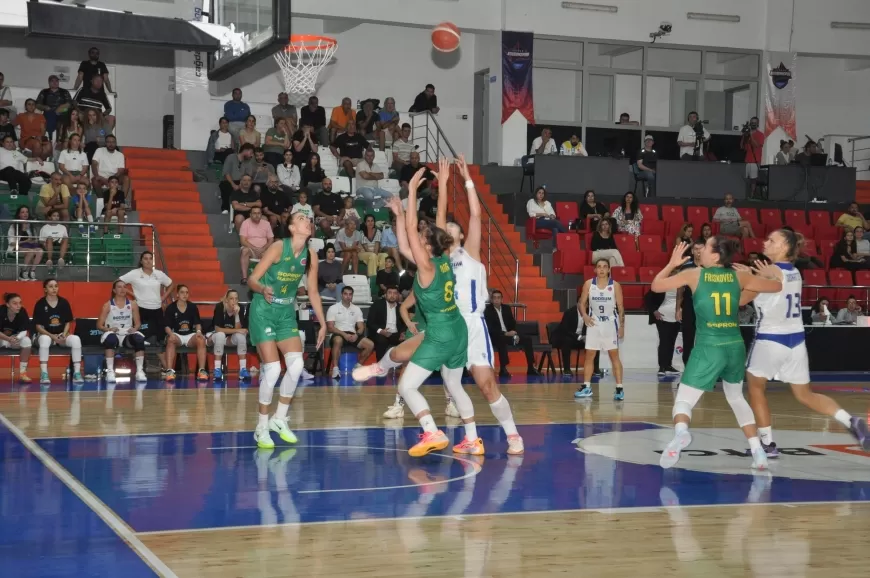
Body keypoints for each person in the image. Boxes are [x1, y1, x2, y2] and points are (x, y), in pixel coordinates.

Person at [357, 168, 476, 457]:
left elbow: (411, 232)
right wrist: (401, 211)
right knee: (454, 385)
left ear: (425, 246)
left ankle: (431, 431)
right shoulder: (444, 257)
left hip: (440, 333)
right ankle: (472, 438)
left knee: (407, 386)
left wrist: (410, 190)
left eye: (421, 237)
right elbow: (409, 238)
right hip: (458, 329)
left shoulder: (426, 267)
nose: (418, 237)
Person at [650, 237, 783, 470]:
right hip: (735, 346)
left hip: (709, 346)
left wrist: (672, 263)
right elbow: (774, 287)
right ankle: (757, 452)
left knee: (683, 400)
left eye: (705, 248)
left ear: (716, 256)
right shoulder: (738, 276)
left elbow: (655, 286)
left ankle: (681, 433)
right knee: (736, 398)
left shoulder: (695, 274)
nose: (698, 251)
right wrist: (765, 275)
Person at [742, 229, 870, 454]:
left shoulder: (768, 272)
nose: (765, 242)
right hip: (797, 343)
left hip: (771, 340)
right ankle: (849, 420)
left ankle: (767, 444)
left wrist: (743, 278)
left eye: (772, 240)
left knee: (755, 388)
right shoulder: (795, 272)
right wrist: (750, 275)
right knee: (805, 395)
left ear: (784, 248)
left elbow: (741, 299)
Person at [246, 210, 327, 449]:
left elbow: (312, 292)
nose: (307, 221)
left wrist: (322, 323)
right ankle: (261, 426)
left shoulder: (311, 255)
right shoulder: (279, 247)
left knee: (297, 365)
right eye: (301, 218)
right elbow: (252, 279)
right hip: (264, 309)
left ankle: (279, 419)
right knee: (271, 371)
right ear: (292, 227)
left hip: (285, 313)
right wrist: (262, 289)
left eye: (308, 219)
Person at [575, 259, 626, 400]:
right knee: (590, 355)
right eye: (599, 267)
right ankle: (586, 387)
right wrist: (584, 315)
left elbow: (621, 307)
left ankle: (619, 388)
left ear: (609, 269)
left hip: (610, 323)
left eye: (605, 267)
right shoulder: (588, 284)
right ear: (595, 270)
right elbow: (581, 303)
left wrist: (621, 326)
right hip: (594, 323)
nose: (602, 269)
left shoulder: (615, 285)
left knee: (614, 356)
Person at [120, 251, 173, 374]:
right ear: (141, 261)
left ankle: (166, 368)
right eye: (145, 258)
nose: (148, 261)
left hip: (157, 310)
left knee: (159, 340)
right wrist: (133, 295)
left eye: (150, 258)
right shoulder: (134, 274)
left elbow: (171, 284)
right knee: (140, 338)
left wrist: (163, 297)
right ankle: (139, 368)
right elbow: (119, 283)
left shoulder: (158, 274)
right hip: (141, 310)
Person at [33, 278, 83, 384]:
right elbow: (38, 327)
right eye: (50, 286)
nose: (54, 288)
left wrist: (63, 335)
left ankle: (77, 373)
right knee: (45, 340)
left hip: (61, 335)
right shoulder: (40, 304)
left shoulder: (64, 302)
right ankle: (44, 373)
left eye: (56, 286)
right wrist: (52, 336)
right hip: (45, 334)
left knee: (76, 339)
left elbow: (68, 322)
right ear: (45, 289)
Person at [97, 280, 147, 383]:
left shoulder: (133, 304)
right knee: (110, 339)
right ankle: (110, 372)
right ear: (114, 290)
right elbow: (99, 325)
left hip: (126, 334)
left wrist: (135, 328)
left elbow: (138, 323)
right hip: (112, 333)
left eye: (124, 287)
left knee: (139, 339)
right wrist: (108, 329)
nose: (122, 289)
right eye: (119, 287)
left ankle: (139, 371)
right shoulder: (108, 305)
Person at [484, 289, 540, 378]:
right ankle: (503, 368)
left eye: (498, 298)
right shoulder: (487, 310)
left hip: (509, 335)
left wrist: (514, 332)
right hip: (496, 336)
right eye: (494, 298)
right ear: (491, 299)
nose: (496, 300)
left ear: (502, 299)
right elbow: (490, 328)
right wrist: (505, 333)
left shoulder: (506, 308)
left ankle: (530, 367)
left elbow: (512, 323)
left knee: (527, 339)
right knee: (501, 340)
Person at [163, 285, 208, 383]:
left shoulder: (192, 307)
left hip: (189, 335)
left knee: (201, 339)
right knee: (170, 339)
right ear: (177, 294)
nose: (185, 294)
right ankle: (169, 371)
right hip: (176, 335)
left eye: (187, 292)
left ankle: (202, 371)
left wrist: (199, 332)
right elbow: (167, 326)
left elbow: (198, 324)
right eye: (182, 292)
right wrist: (171, 334)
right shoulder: (171, 308)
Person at [207, 289, 249, 382]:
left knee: (241, 337)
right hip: (215, 336)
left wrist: (237, 315)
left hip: (229, 338)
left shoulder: (240, 308)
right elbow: (218, 329)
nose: (234, 301)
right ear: (226, 300)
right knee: (220, 335)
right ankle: (217, 370)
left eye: (236, 299)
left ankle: (243, 370)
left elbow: (239, 330)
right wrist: (238, 330)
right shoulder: (219, 307)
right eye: (231, 298)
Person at [645, 273, 680, 376]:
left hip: (676, 317)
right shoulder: (662, 284)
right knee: (664, 341)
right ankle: (662, 367)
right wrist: (654, 311)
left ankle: (668, 365)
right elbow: (648, 298)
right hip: (662, 316)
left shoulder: (683, 284)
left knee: (671, 341)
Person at [366, 285, 406, 361]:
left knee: (409, 339)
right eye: (390, 293)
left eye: (395, 293)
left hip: (396, 334)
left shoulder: (401, 308)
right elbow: (370, 323)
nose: (392, 295)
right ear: (385, 294)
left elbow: (405, 324)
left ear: (398, 295)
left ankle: (402, 367)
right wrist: (381, 331)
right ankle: (380, 365)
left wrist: (403, 332)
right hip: (381, 333)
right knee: (382, 340)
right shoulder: (377, 305)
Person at [0, 292, 33, 384]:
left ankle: (23, 374)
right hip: (2, 338)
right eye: (15, 303)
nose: (18, 306)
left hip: (15, 340)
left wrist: (17, 338)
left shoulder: (22, 311)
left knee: (27, 341)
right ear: (7, 304)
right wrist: (8, 339)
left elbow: (24, 330)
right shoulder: (1, 311)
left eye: (20, 303)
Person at [7, 206, 43, 281]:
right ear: (19, 214)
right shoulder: (14, 226)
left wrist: (33, 241)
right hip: (16, 247)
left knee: (40, 251)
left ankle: (32, 271)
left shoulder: (31, 225)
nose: (25, 214)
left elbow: (35, 240)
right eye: (22, 212)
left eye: (26, 212)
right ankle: (23, 272)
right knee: (30, 251)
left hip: (30, 246)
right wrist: (25, 241)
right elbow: (12, 243)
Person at [742, 117, 765, 198]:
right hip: (747, 161)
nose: (753, 124)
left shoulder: (760, 135)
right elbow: (742, 147)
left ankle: (751, 196)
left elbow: (756, 145)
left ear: (757, 124)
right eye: (752, 122)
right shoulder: (747, 135)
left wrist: (751, 135)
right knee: (745, 180)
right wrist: (744, 135)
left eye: (755, 122)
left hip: (755, 161)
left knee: (753, 180)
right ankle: (745, 196)